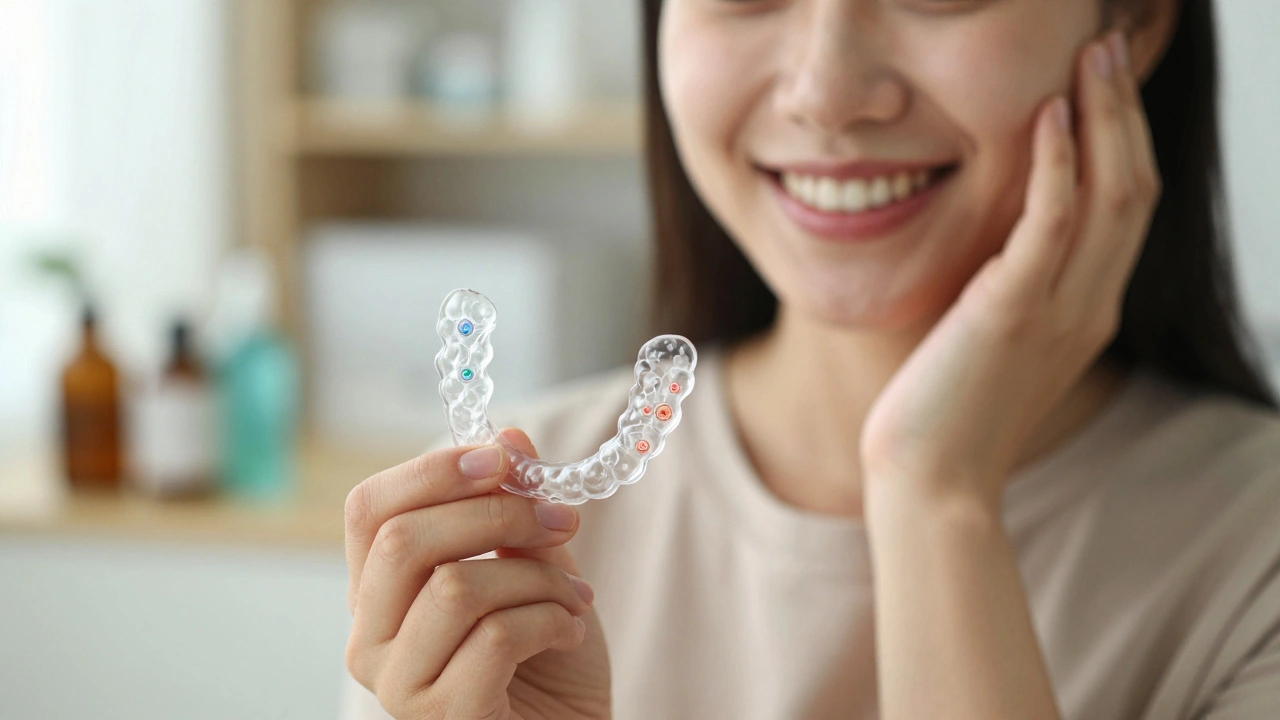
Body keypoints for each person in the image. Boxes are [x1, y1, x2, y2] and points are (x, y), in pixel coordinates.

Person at [341, 0, 1280, 717]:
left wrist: (935, 492)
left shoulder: (1254, 560)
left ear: (1134, 21)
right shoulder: (484, 543)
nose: (826, 92)